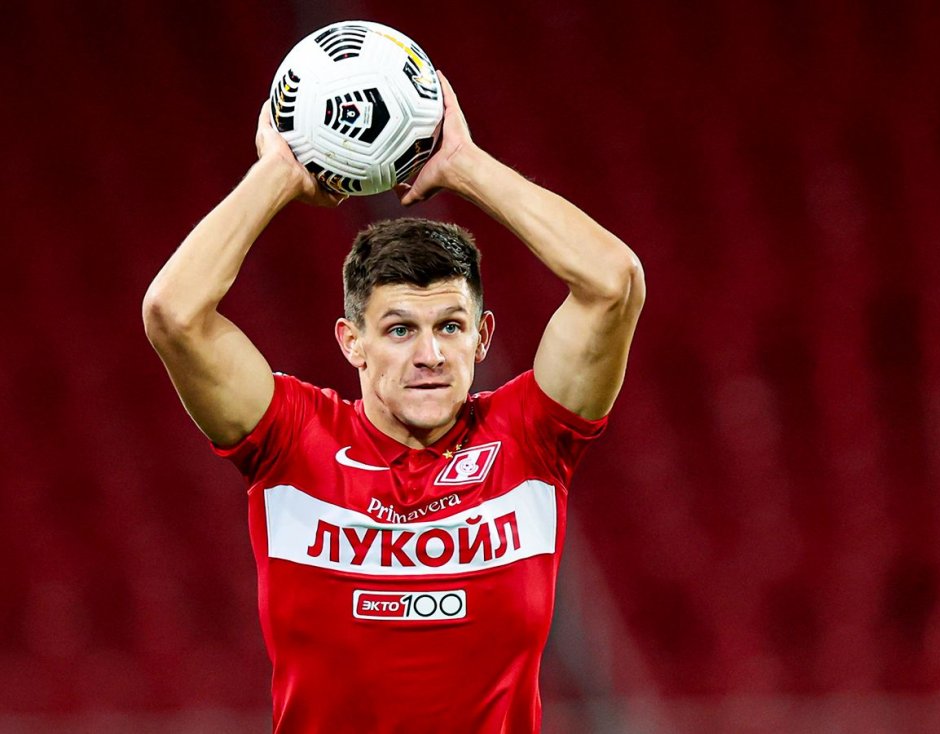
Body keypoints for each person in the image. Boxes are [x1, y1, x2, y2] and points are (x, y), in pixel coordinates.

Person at [142, 71, 644, 733]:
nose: (429, 354)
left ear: (482, 336)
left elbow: (613, 284)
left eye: (451, 327)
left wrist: (465, 165)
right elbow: (173, 314)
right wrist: (278, 173)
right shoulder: (292, 440)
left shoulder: (528, 439)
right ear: (352, 342)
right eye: (400, 330)